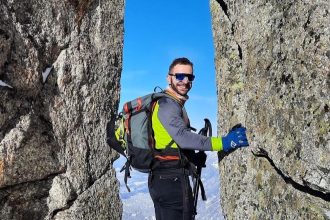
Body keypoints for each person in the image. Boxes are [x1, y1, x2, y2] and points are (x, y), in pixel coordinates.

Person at [148, 57, 249, 220]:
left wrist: (192, 157)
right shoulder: (167, 104)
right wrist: (222, 143)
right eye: (180, 76)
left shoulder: (168, 103)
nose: (185, 81)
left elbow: (168, 142)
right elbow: (182, 137)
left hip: (162, 178)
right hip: (172, 181)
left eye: (190, 77)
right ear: (169, 78)